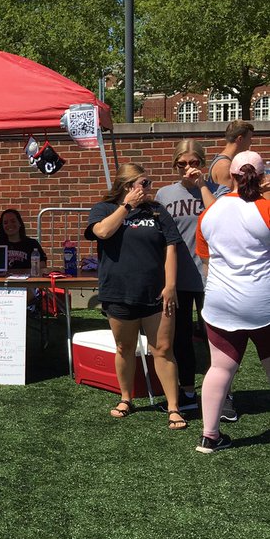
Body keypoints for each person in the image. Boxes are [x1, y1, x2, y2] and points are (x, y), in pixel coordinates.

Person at [84, 163, 187, 429]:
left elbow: (171, 247)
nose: (148, 188)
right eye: (144, 183)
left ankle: (173, 407)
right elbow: (102, 232)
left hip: (155, 293)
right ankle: (126, 398)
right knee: (124, 348)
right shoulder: (104, 209)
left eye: (148, 183)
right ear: (128, 185)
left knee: (162, 349)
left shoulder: (157, 211)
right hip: (119, 291)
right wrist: (126, 206)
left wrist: (170, 285)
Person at [194, 151, 270, 453]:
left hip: (220, 301)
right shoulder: (266, 208)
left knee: (220, 368)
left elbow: (206, 262)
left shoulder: (210, 213)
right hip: (262, 301)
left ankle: (209, 437)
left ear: (231, 177)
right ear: (262, 177)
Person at [155, 139, 232, 416]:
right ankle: (187, 391)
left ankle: (224, 396)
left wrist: (201, 186)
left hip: (213, 278)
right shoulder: (164, 194)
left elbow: (219, 218)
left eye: (194, 162)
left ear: (202, 162)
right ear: (175, 165)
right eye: (182, 163)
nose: (188, 168)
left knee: (218, 340)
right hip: (179, 280)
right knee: (181, 338)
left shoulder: (219, 191)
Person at [207, 120, 254, 193]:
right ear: (240, 139)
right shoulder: (225, 165)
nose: (251, 142)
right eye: (249, 138)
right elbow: (228, 197)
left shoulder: (225, 161)